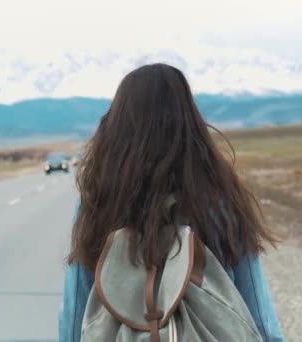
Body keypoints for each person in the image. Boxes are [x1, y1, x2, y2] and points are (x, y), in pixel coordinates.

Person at [58, 63, 284, 341]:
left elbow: (77, 308)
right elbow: (257, 310)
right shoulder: (217, 198)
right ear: (191, 123)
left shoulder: (100, 200)